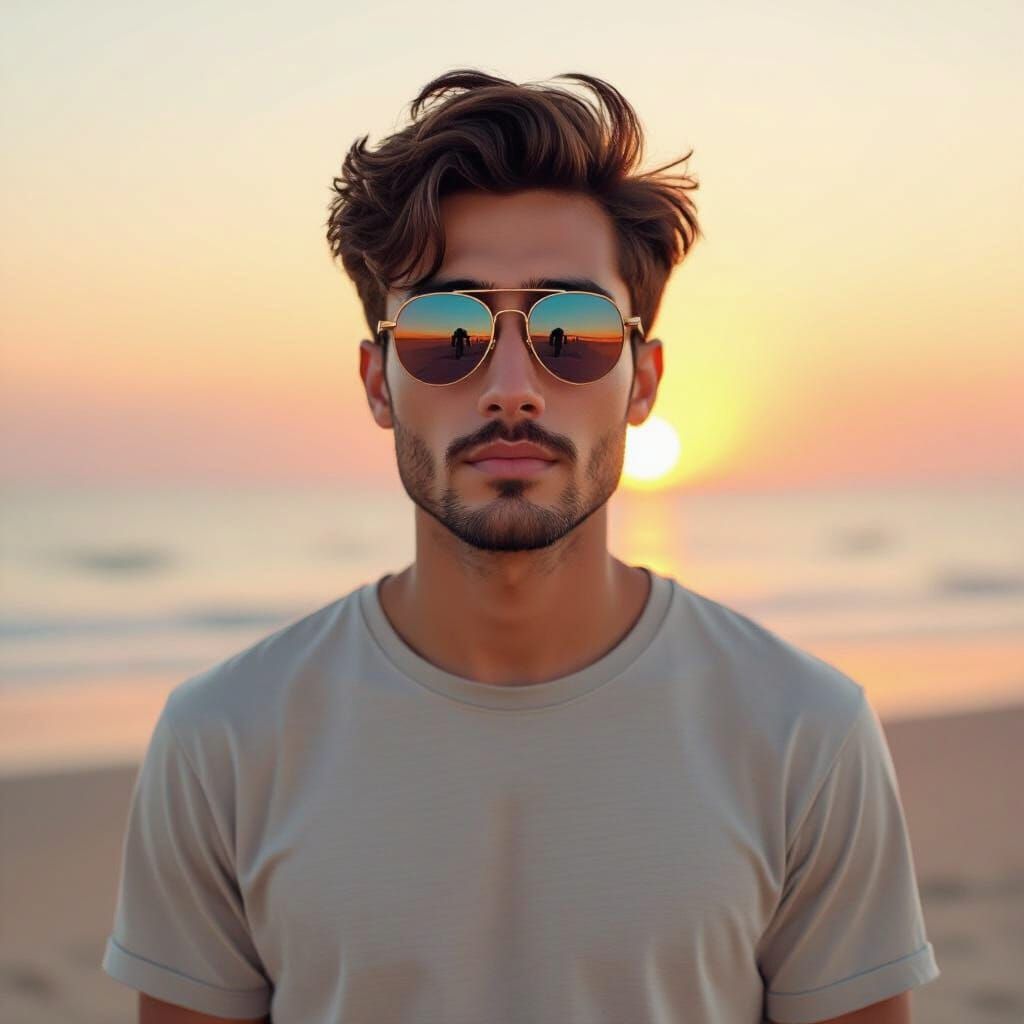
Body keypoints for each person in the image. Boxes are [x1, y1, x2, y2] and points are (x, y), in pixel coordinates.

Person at [101, 69, 940, 1024]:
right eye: (448, 331)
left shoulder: (804, 734)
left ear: (642, 380)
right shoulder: (225, 740)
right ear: (379, 382)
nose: (511, 386)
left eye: (569, 330)